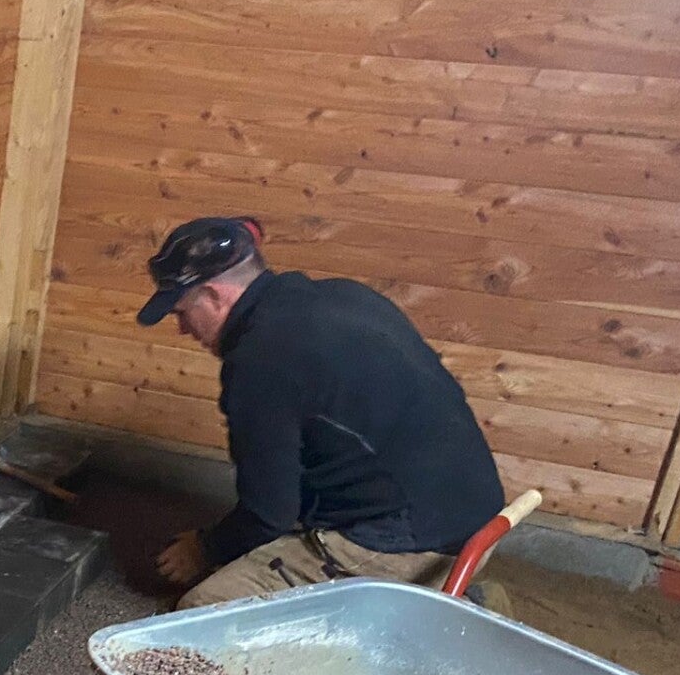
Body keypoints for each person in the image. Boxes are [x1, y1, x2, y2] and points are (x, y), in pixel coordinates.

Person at [137, 217, 507, 609]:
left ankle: (455, 610)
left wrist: (205, 548)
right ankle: (439, 593)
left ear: (213, 295)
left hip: (415, 545)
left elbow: (270, 513)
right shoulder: (345, 296)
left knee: (202, 607)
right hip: (479, 519)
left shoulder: (260, 361)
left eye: (181, 312)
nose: (182, 329)